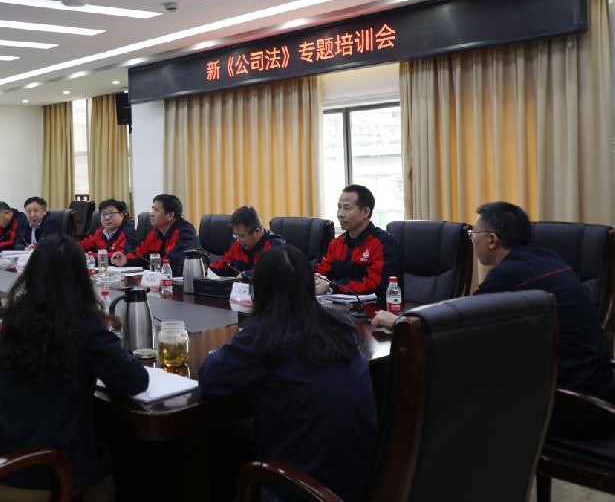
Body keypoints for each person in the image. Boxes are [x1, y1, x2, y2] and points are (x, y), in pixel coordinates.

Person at [374, 202, 615, 423]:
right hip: (597, 385)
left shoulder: (509, 274)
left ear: (492, 240)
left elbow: (457, 329)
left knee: (439, 380)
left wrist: (399, 322)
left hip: (570, 401)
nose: (472, 241)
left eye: (473, 235)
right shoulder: (544, 257)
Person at [0, 236, 149, 502]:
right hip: (44, 479)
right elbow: (135, 380)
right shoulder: (85, 323)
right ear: (82, 277)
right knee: (108, 462)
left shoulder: (16, 315)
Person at [199, 246, 377, 502]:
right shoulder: (339, 326)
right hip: (361, 483)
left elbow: (210, 379)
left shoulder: (263, 336)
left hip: (302, 490)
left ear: (259, 290)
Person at [314, 185, 401, 301]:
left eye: (347, 208)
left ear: (365, 212)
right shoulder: (336, 243)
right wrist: (317, 279)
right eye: (339, 207)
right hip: (337, 307)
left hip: (375, 309)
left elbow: (377, 285)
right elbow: (322, 271)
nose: (340, 214)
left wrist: (332, 286)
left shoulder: (383, 243)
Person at [110, 194, 198, 275]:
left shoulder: (185, 233)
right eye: (152, 209)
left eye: (156, 210)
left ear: (170, 215)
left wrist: (151, 267)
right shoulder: (154, 234)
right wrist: (125, 260)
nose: (151, 214)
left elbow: (174, 263)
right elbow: (139, 254)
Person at [209, 206, 286, 278]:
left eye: (242, 236)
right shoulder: (238, 245)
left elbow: (271, 270)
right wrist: (206, 268)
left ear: (257, 231)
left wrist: (246, 275)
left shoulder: (275, 246)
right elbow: (224, 264)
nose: (238, 240)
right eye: (236, 235)